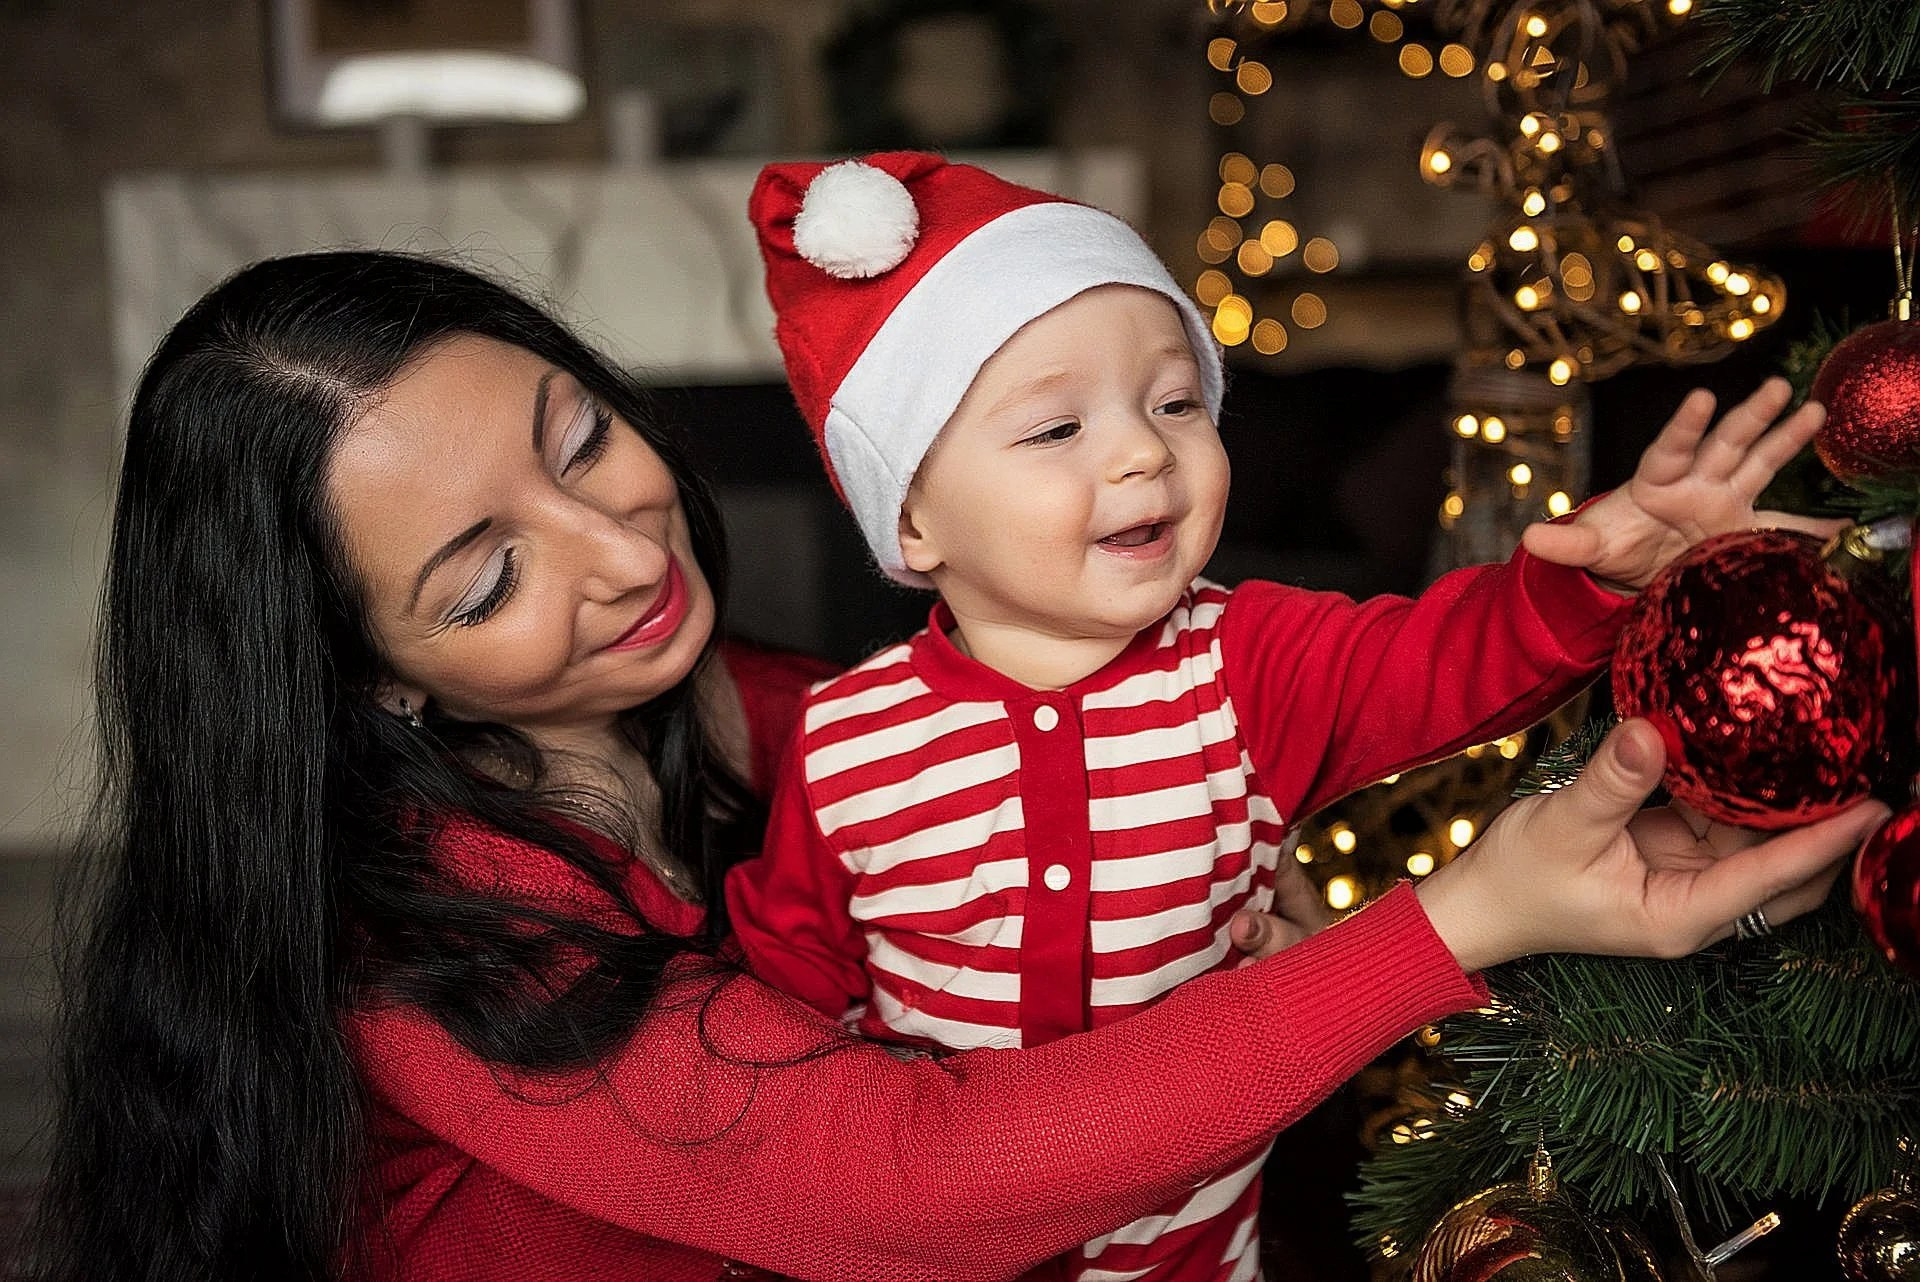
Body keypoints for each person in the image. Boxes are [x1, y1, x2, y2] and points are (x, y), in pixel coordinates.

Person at [32, 249, 1881, 1282]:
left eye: (580, 434)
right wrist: (1458, 912)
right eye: (489, 572)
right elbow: (907, 1172)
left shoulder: (784, 713)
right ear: (368, 681)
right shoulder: (423, 951)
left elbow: (1123, 743)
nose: (617, 547)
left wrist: (1556, 604)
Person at [728, 152, 1840, 1282]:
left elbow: (1438, 665)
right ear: (913, 519)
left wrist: (1590, 581)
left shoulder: (1243, 664)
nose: (1141, 449)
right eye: (1055, 429)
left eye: (1174, 400)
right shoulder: (844, 742)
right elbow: (791, 1022)